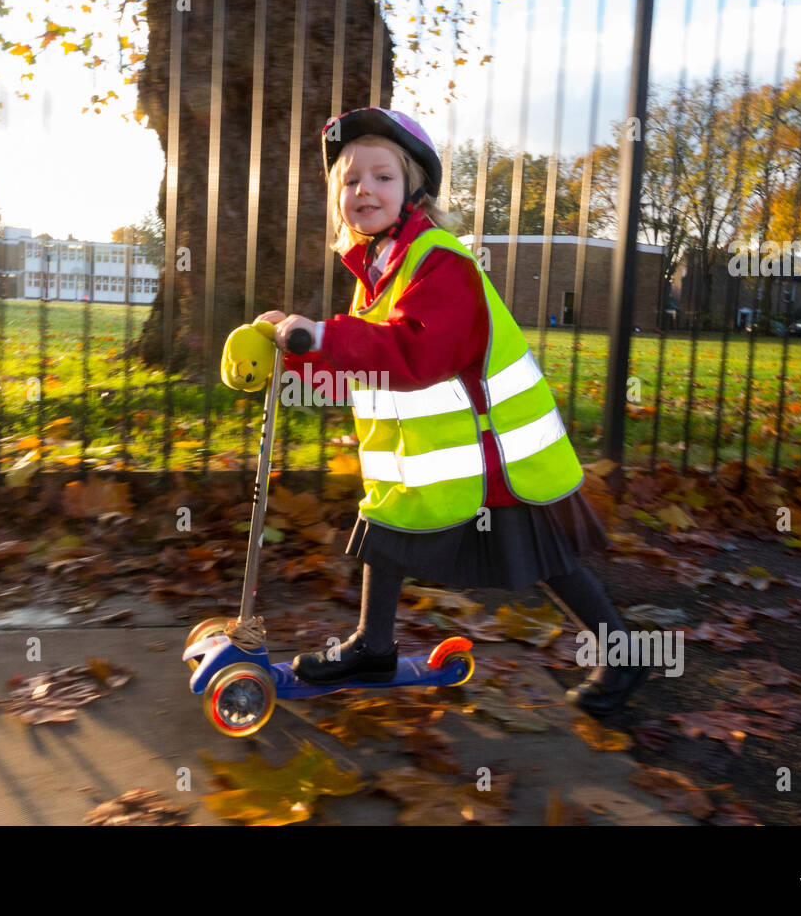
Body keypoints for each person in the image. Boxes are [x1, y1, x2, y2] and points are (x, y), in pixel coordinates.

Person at [260, 107, 644, 717]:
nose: (365, 191)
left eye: (383, 177)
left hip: (499, 453)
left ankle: (625, 652)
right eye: (351, 181)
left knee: (549, 561)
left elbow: (420, 355)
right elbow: (369, 367)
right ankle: (373, 647)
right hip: (436, 460)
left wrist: (325, 336)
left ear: (414, 187)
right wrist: (291, 353)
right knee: (384, 535)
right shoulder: (376, 276)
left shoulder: (440, 263)